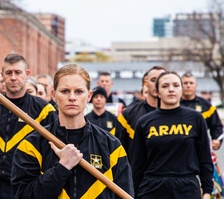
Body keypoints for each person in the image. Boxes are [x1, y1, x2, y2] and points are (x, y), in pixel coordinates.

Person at [11, 63, 134, 198]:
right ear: (53, 95)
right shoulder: (31, 145)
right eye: (65, 91)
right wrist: (62, 167)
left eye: (79, 91)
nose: (72, 97)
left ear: (89, 96)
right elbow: (23, 196)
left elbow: (125, 193)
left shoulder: (112, 147)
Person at [0, 53, 57, 199]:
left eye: (18, 72)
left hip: (29, 182)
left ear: (27, 74)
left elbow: (52, 150)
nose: (13, 77)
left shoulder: (44, 110)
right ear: (2, 75)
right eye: (9, 73)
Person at [129, 71, 213, 199]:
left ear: (181, 89)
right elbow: (137, 164)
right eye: (165, 86)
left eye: (175, 85)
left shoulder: (195, 118)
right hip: (152, 187)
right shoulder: (144, 122)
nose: (171, 90)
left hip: (186, 187)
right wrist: (133, 193)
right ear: (157, 92)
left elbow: (205, 158)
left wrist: (207, 191)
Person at [117, 66, 166, 152]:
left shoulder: (182, 116)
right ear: (146, 84)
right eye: (153, 80)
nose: (157, 84)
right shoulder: (128, 115)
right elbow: (118, 150)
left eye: (161, 80)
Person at [180, 71, 224, 150]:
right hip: (178, 148)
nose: (188, 86)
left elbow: (217, 126)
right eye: (185, 83)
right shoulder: (173, 104)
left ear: (196, 85)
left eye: (191, 83)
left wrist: (217, 140)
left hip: (200, 148)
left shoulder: (206, 106)